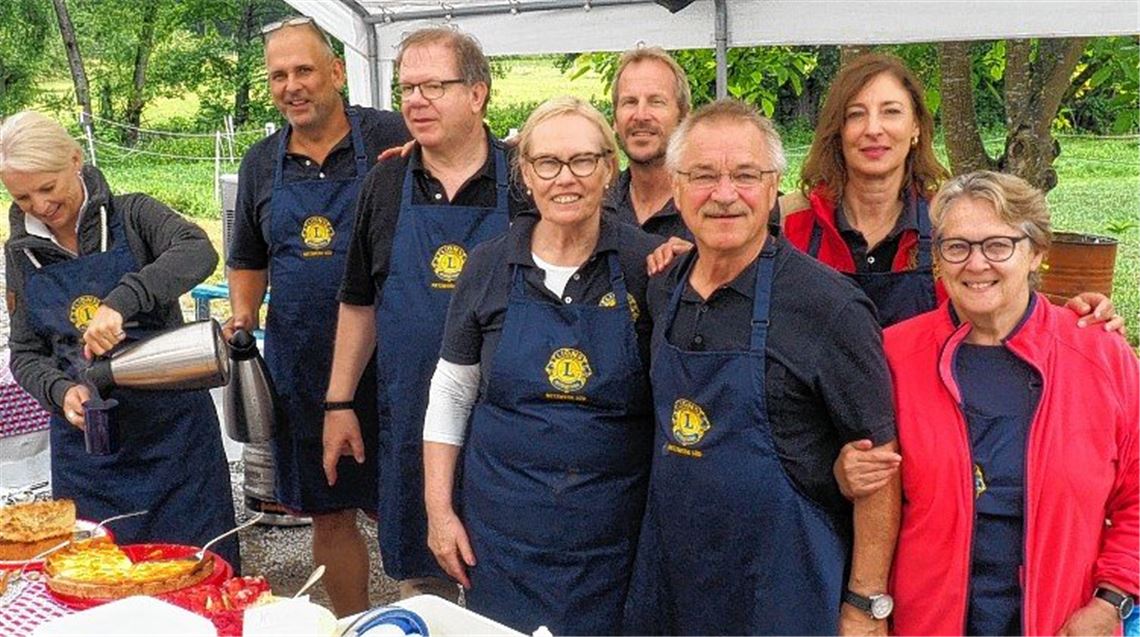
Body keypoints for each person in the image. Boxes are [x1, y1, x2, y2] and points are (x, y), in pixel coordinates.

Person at [624, 99, 900, 635]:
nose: (724, 195)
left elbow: (879, 467)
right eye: (703, 175)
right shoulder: (663, 289)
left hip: (782, 590)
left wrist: (867, 605)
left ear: (774, 187)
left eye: (745, 175)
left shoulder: (829, 307)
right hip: (675, 581)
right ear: (677, 189)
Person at [422, 96, 663, 635]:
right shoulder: (488, 264)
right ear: (526, 174)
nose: (566, 179)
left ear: (609, 169)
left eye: (583, 161)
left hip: (614, 538)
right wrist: (440, 513)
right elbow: (452, 393)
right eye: (547, 163)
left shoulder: (646, 265)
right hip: (503, 536)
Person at [882, 170, 1138, 636]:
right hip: (927, 623)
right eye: (956, 246)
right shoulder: (896, 357)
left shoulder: (1099, 356)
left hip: (1061, 621)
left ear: (1037, 252)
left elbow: (1137, 496)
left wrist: (1111, 601)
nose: (976, 264)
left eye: (998, 245)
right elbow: (864, 493)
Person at [325, 27, 530, 601]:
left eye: (434, 85)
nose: (415, 100)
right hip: (412, 416)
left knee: (507, 586)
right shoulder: (386, 182)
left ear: (478, 93)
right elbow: (360, 300)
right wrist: (339, 402)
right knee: (423, 581)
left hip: (508, 428)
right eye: (407, 87)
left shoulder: (525, 176)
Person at [1, 111, 240, 569]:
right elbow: (27, 354)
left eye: (48, 188)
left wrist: (124, 299)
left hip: (175, 441)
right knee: (102, 581)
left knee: (198, 574)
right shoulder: (22, 255)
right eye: (22, 196)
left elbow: (198, 250)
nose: (39, 205)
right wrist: (58, 391)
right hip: (90, 455)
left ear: (75, 159)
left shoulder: (133, 215)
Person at [225, 17, 408, 615]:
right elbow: (247, 257)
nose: (291, 85)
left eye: (304, 70)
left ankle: (430, 616)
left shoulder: (395, 136)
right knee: (330, 513)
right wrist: (244, 314)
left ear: (337, 72)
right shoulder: (260, 162)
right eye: (279, 75)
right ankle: (351, 623)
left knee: (415, 505)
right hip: (304, 366)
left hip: (397, 362)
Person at [781, 53, 1122, 332]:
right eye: (856, 114)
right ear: (838, 130)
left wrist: (1079, 317)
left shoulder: (951, 220)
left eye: (891, 112)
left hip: (927, 409)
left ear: (915, 127)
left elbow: (1005, 306)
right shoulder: (789, 223)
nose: (873, 129)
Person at [603, 46, 690, 240]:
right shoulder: (597, 206)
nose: (641, 116)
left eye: (656, 102)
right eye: (630, 102)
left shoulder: (711, 206)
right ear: (615, 120)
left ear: (684, 117)